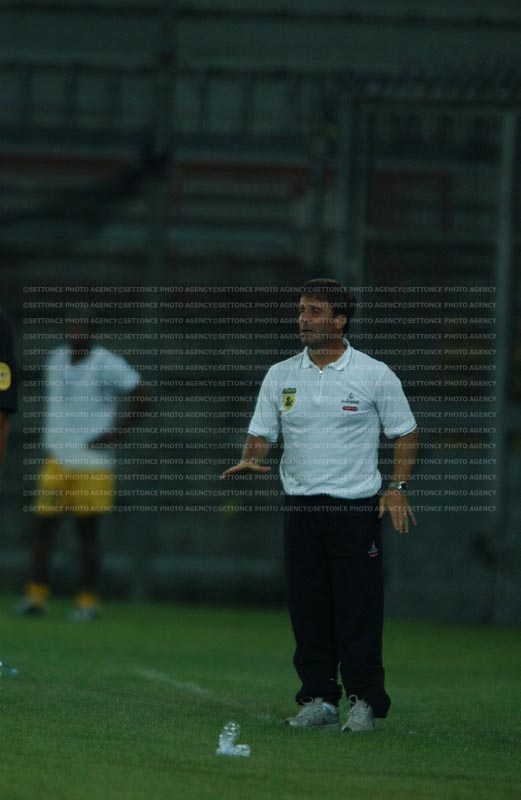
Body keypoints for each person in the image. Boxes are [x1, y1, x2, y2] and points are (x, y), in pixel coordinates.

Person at [222, 278, 418, 732]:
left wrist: (397, 486)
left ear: (340, 320)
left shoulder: (373, 373)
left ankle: (364, 702)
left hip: (354, 510)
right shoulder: (280, 374)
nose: (303, 319)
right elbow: (261, 433)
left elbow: (406, 432)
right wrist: (252, 457)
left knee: (357, 610)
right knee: (307, 608)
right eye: (301, 310)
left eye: (314, 311)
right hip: (301, 508)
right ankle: (319, 700)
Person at [17, 315, 150, 621]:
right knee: (43, 529)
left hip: (92, 463)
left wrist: (117, 434)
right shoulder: (55, 359)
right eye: (71, 327)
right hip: (57, 460)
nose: (74, 333)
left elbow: (144, 395)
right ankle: (36, 597)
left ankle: (88, 601)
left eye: (81, 328)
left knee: (87, 533)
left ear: (92, 333)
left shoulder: (107, 364)